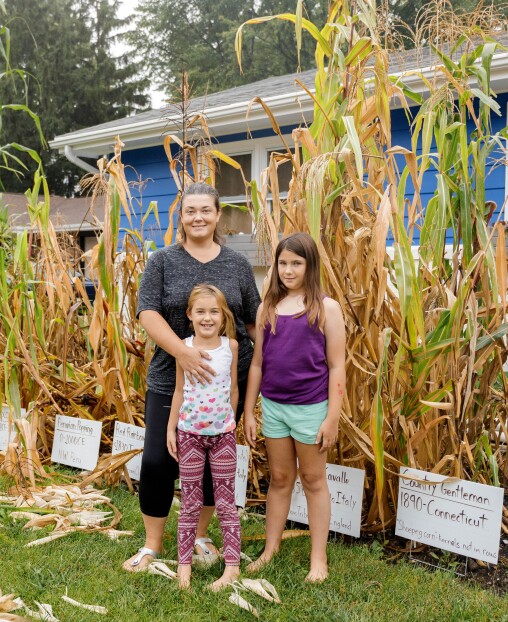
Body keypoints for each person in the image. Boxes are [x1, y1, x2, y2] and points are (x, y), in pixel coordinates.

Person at [123, 182, 261, 572]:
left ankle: (200, 535)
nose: (197, 217)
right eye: (190, 211)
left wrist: (264, 373)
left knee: (209, 464)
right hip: (171, 378)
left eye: (205, 210)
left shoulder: (236, 265)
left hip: (223, 386)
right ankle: (152, 545)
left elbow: (254, 321)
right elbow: (147, 313)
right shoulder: (163, 261)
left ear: (218, 216)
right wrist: (182, 352)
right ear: (180, 217)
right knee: (157, 461)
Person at [243, 232, 346, 582]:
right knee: (281, 478)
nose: (288, 270)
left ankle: (319, 560)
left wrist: (332, 417)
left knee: (314, 480)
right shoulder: (266, 307)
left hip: (310, 409)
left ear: (309, 265)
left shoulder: (326, 308)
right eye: (283, 263)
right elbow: (258, 363)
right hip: (274, 408)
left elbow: (337, 366)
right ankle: (271, 548)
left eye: (296, 263)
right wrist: (248, 411)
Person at [166, 285, 241, 590]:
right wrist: (171, 428)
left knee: (225, 501)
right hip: (190, 435)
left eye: (214, 312)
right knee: (190, 502)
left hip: (222, 436)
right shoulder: (183, 347)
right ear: (190, 315)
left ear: (223, 317)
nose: (207, 318)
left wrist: (230, 421)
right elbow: (180, 391)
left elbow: (233, 388)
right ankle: (184, 567)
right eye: (201, 311)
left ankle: (233, 566)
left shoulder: (231, 347)